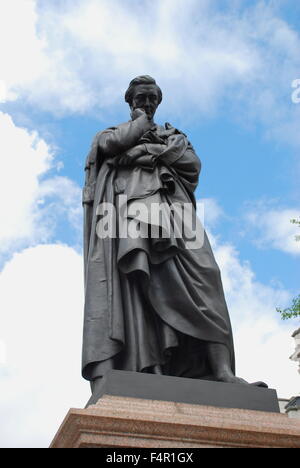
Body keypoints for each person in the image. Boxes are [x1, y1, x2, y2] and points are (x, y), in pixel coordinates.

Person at [82, 75, 263, 400]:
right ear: (130, 100)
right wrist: (141, 126)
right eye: (141, 97)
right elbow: (112, 147)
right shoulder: (110, 133)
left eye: (152, 97)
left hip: (177, 214)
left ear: (159, 100)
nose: (147, 102)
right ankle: (151, 366)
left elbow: (191, 164)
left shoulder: (174, 135)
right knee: (142, 285)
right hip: (132, 214)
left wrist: (147, 151)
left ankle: (221, 371)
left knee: (206, 277)